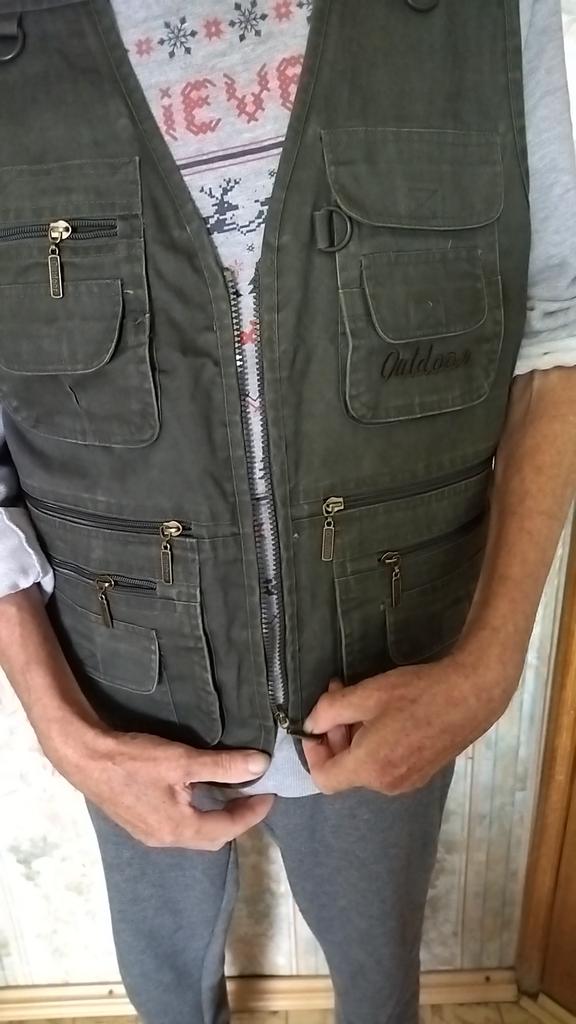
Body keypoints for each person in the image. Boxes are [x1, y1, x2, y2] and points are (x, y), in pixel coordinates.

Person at [1, 1, 576, 1022]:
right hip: (119, 687)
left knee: (380, 974)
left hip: (400, 669)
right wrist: (62, 727)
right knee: (166, 984)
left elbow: (557, 331)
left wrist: (489, 671)